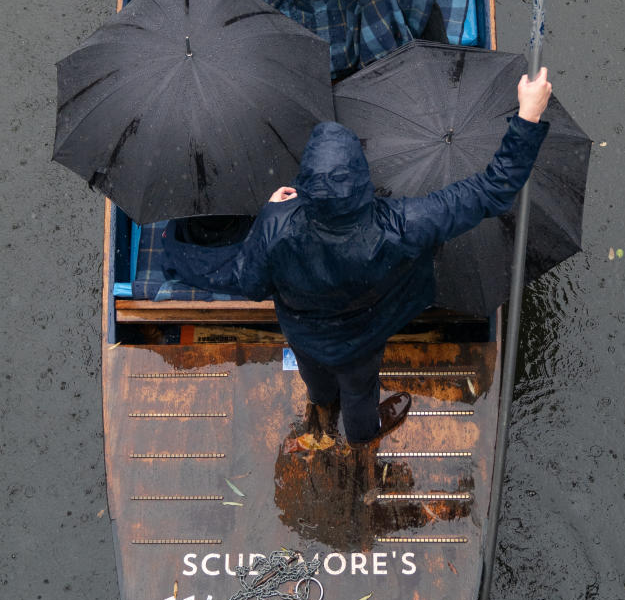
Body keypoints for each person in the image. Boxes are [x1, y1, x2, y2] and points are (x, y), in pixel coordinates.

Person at [233, 69, 552, 446]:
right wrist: (528, 116)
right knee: (359, 387)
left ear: (304, 181)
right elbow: (492, 190)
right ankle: (361, 434)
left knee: (315, 375)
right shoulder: (402, 224)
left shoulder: (276, 225)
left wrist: (273, 211)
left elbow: (249, 284)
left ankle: (320, 401)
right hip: (362, 339)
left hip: (303, 335)